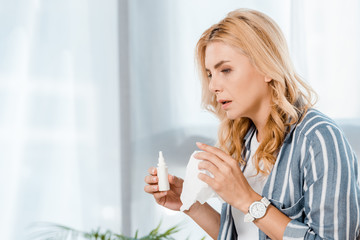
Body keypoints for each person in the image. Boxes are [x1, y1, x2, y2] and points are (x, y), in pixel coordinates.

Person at [144, 8, 360, 240]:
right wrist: (192, 205)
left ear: (266, 67)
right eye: (209, 74)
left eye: (225, 70)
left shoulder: (318, 138)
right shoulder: (243, 139)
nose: (213, 86)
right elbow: (247, 234)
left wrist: (247, 199)